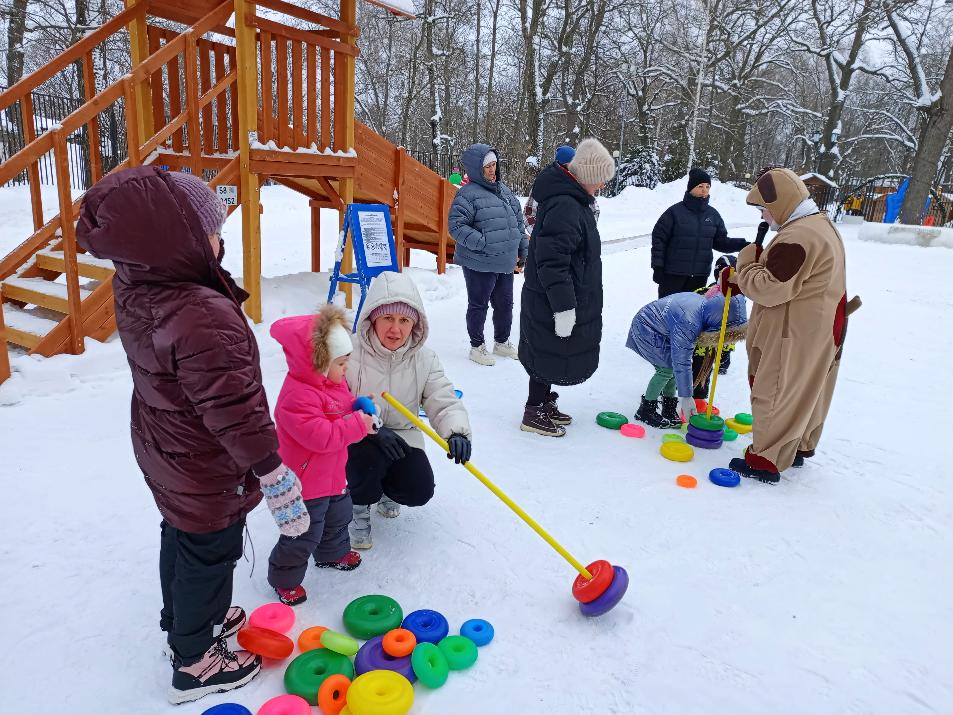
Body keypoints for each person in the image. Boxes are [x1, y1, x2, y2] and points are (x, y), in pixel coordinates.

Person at [76, 166, 310, 704]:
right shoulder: (200, 312)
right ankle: (195, 661)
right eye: (213, 231)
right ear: (176, 239)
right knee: (211, 549)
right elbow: (234, 409)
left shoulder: (139, 283)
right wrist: (272, 472)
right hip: (206, 460)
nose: (221, 241)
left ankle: (185, 620)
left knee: (182, 534)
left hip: (167, 446)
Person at [721, 168, 859, 483]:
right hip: (818, 327)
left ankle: (766, 458)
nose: (762, 215)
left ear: (780, 202)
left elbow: (770, 288)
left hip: (793, 331)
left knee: (776, 388)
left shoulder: (798, 237)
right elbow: (791, 278)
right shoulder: (819, 224)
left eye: (764, 208)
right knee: (806, 388)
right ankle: (795, 445)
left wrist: (746, 264)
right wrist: (745, 277)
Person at [345, 271, 472, 548]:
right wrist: (371, 428)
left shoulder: (424, 358)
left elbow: (442, 397)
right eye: (388, 318)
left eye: (404, 320)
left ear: (415, 323)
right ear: (373, 318)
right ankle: (357, 506)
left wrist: (456, 432)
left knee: (419, 489)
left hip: (403, 435)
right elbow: (332, 402)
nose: (395, 329)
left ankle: (385, 491)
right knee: (365, 460)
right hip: (356, 435)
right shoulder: (349, 352)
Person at [266, 305, 376, 606]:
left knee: (338, 517)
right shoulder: (296, 397)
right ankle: (284, 579)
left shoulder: (333, 384)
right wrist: (358, 424)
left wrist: (357, 405)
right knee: (302, 532)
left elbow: (338, 408)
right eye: (341, 362)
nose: (346, 368)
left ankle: (331, 553)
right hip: (306, 482)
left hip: (333, 475)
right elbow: (321, 436)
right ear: (319, 363)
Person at [518, 137, 615, 437]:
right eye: (600, 179)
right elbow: (552, 263)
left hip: (559, 294)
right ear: (587, 175)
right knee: (545, 351)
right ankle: (533, 411)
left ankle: (544, 401)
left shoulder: (573, 201)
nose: (601, 185)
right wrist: (564, 308)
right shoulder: (565, 206)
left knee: (550, 350)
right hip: (553, 299)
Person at [448, 143, 528, 366]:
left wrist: (522, 250)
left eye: (494, 164)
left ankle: (501, 342)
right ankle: (477, 346)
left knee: (505, 304)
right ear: (476, 168)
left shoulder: (505, 191)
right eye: (487, 166)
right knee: (479, 305)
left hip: (505, 261)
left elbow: (518, 225)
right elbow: (456, 226)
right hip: (479, 262)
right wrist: (483, 242)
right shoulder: (467, 194)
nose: (492, 170)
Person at [626, 291, 747, 428]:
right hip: (647, 327)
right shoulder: (689, 322)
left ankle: (668, 407)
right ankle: (646, 410)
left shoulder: (707, 309)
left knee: (672, 369)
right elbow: (682, 361)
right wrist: (687, 396)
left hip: (661, 328)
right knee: (665, 370)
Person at [651, 168, 749, 298]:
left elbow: (721, 242)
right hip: (673, 275)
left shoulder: (713, 215)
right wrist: (657, 266)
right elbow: (659, 239)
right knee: (668, 309)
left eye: (708, 186)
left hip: (699, 276)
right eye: (700, 186)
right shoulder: (674, 212)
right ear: (691, 188)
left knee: (692, 310)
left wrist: (743, 245)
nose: (705, 190)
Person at [691, 254, 738, 399]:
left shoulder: (736, 298)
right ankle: (692, 397)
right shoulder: (703, 293)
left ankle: (699, 400)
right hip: (700, 343)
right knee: (697, 369)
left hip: (715, 345)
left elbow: (734, 326)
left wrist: (727, 350)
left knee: (704, 372)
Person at [525, 145, 576, 236]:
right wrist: (540, 235)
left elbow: (593, 210)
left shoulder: (579, 184)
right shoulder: (543, 184)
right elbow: (528, 213)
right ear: (563, 164)